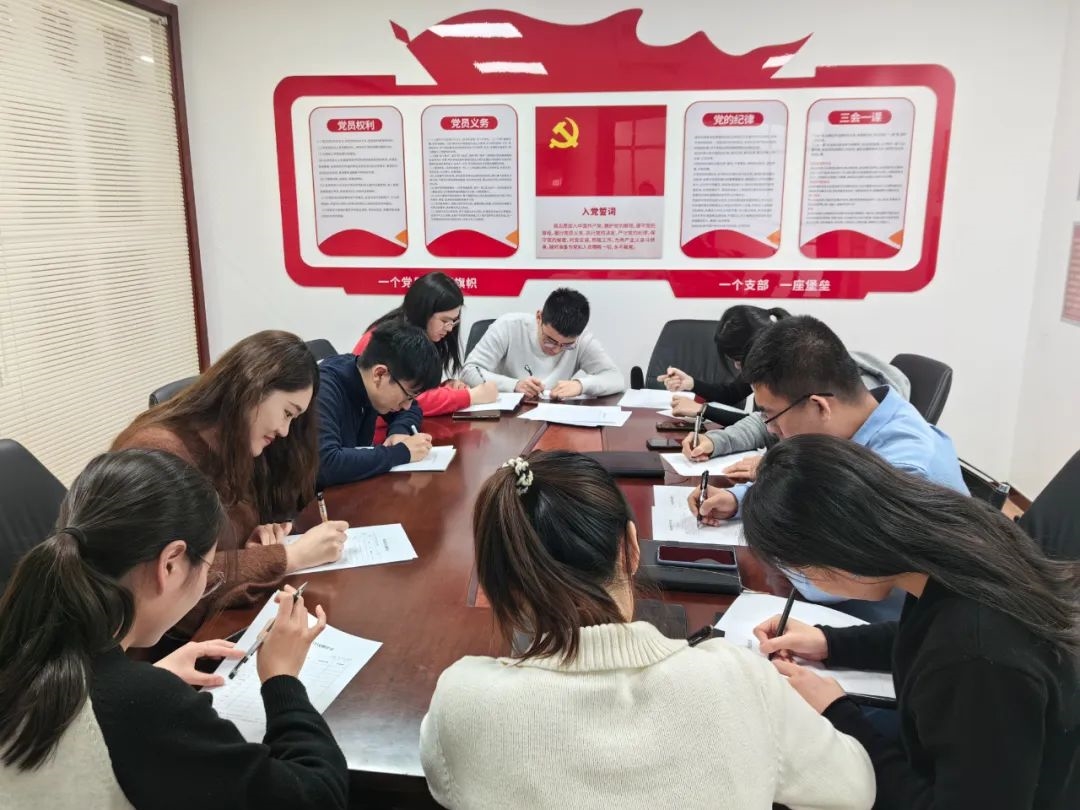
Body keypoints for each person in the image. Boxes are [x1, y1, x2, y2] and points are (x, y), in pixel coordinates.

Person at [419, 451, 875, 810]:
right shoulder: (739, 679)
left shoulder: (462, 700)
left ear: (495, 582)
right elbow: (855, 789)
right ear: (632, 549)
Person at [742, 436, 1080, 810]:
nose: (809, 582)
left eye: (802, 571)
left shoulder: (975, 655)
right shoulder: (954, 537)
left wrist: (837, 715)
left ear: (837, 550)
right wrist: (830, 643)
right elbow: (927, 632)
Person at [0, 449, 348, 809]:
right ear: (170, 564)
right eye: (208, 572)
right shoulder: (143, 706)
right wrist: (282, 679)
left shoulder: (24, 645)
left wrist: (149, 676)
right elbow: (318, 795)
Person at [686, 316, 965, 621]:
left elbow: (823, 579)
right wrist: (738, 499)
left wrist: (765, 523)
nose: (772, 430)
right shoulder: (863, 420)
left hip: (879, 624)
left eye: (772, 416)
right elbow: (807, 487)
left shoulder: (903, 472)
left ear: (820, 406)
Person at [113, 330, 349, 642]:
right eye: (287, 413)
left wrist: (255, 540)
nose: (284, 430)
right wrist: (288, 557)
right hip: (157, 643)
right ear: (254, 388)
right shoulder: (159, 454)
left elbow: (217, 546)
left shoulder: (232, 444)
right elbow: (166, 585)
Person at [662, 305, 909, 455]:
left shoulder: (902, 467)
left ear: (820, 406)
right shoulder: (814, 399)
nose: (770, 428)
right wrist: (718, 444)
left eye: (738, 360)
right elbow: (764, 422)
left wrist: (766, 468)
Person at [316, 320, 442, 487]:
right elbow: (326, 464)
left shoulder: (365, 377)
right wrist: (400, 452)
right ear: (380, 374)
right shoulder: (324, 388)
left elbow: (412, 410)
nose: (406, 405)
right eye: (408, 396)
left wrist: (399, 432)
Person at [352, 271, 498, 415]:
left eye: (454, 321)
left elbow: (411, 392)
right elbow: (409, 400)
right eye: (444, 321)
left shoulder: (416, 336)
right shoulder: (392, 340)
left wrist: (444, 388)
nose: (449, 328)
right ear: (423, 312)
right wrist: (470, 396)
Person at [459, 288, 625, 399]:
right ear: (539, 317)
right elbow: (469, 371)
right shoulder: (508, 327)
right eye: (550, 341)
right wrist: (514, 385)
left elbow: (615, 378)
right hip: (504, 420)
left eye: (566, 345)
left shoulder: (582, 340)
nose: (556, 350)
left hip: (552, 419)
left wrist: (580, 385)